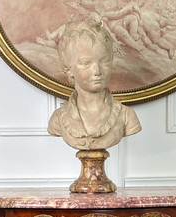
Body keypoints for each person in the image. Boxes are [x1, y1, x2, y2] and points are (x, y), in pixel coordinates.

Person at [47, 19, 141, 151]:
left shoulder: (126, 116)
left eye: (104, 61)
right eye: (86, 63)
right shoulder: (59, 119)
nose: (97, 71)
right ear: (69, 69)